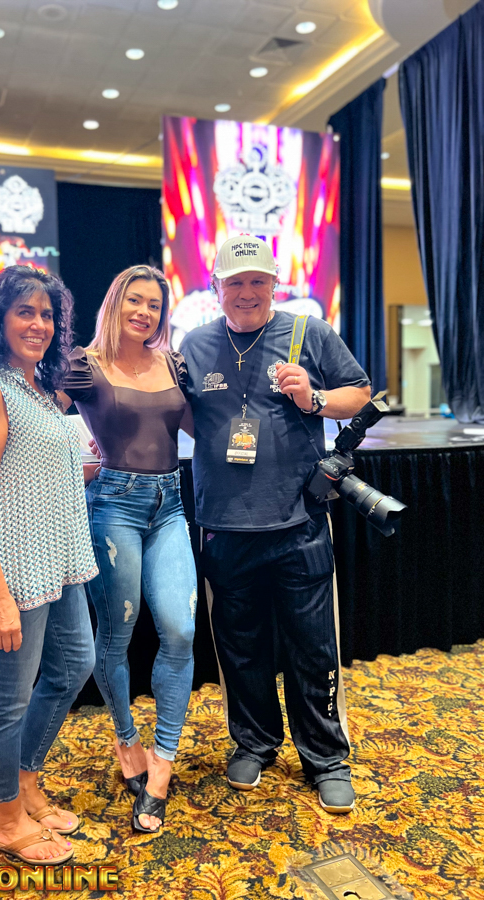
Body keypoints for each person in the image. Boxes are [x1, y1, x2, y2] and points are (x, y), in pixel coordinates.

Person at [179, 235, 371, 814]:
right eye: (235, 282)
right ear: (217, 286)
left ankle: (326, 758)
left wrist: (314, 399)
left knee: (313, 648)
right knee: (240, 647)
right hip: (224, 523)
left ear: (274, 284)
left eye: (257, 281)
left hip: (298, 520)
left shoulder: (308, 332)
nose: (247, 292)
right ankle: (255, 743)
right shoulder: (195, 344)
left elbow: (359, 394)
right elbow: (184, 415)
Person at [0, 266, 98, 863]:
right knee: (6, 700)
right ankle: (4, 818)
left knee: (74, 666)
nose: (39, 324)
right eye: (25, 312)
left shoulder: (34, 386)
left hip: (56, 565)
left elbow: (31, 469)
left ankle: (24, 780)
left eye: (47, 314)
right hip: (8, 575)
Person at [59, 265, 197, 834]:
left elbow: (200, 427)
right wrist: (73, 459)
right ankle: (125, 737)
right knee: (117, 633)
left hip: (170, 504)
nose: (144, 312)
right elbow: (37, 419)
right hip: (112, 504)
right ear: (115, 301)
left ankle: (163, 758)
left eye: (154, 305)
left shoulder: (174, 364)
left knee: (181, 631)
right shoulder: (82, 364)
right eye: (135, 300)